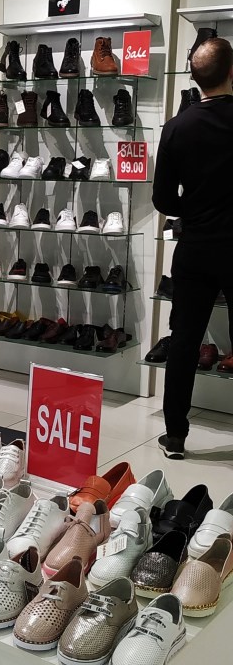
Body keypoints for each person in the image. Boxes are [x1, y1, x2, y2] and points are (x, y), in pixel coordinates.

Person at [152, 37, 233, 460]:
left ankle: (175, 436)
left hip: (196, 245)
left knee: (184, 341)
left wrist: (195, 208)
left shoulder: (176, 127)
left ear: (195, 78)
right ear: (232, 72)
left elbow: (163, 200)